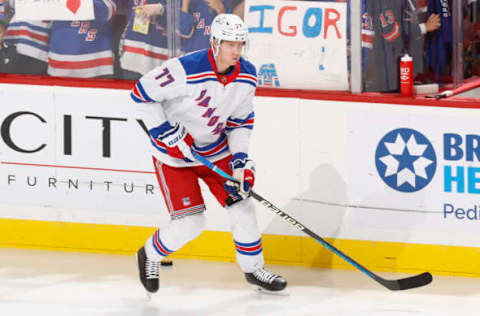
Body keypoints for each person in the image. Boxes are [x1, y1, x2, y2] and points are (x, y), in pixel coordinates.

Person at [130, 13, 287, 296]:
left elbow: (240, 121)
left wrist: (240, 160)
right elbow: (141, 94)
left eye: (241, 44)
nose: (237, 51)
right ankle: (150, 255)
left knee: (243, 206)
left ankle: (253, 270)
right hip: (175, 157)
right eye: (231, 45)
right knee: (191, 223)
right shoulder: (185, 69)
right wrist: (165, 131)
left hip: (215, 152)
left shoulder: (248, 74)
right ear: (215, 42)